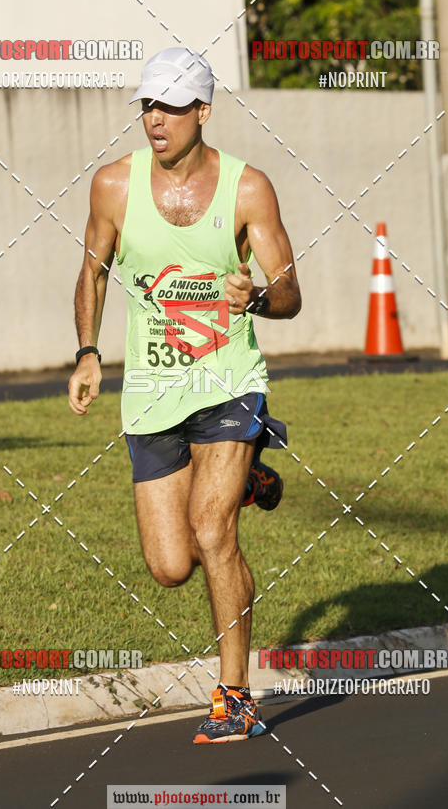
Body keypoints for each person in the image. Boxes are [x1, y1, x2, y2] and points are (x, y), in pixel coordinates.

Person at [68, 47, 302, 743]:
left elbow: (290, 292)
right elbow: (93, 273)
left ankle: (233, 695)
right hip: (150, 387)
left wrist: (256, 296)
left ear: (203, 110)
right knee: (171, 566)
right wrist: (87, 351)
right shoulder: (113, 185)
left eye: (170, 106)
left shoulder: (247, 188)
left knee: (212, 530)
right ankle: (252, 477)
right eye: (146, 105)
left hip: (229, 378)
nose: (154, 119)